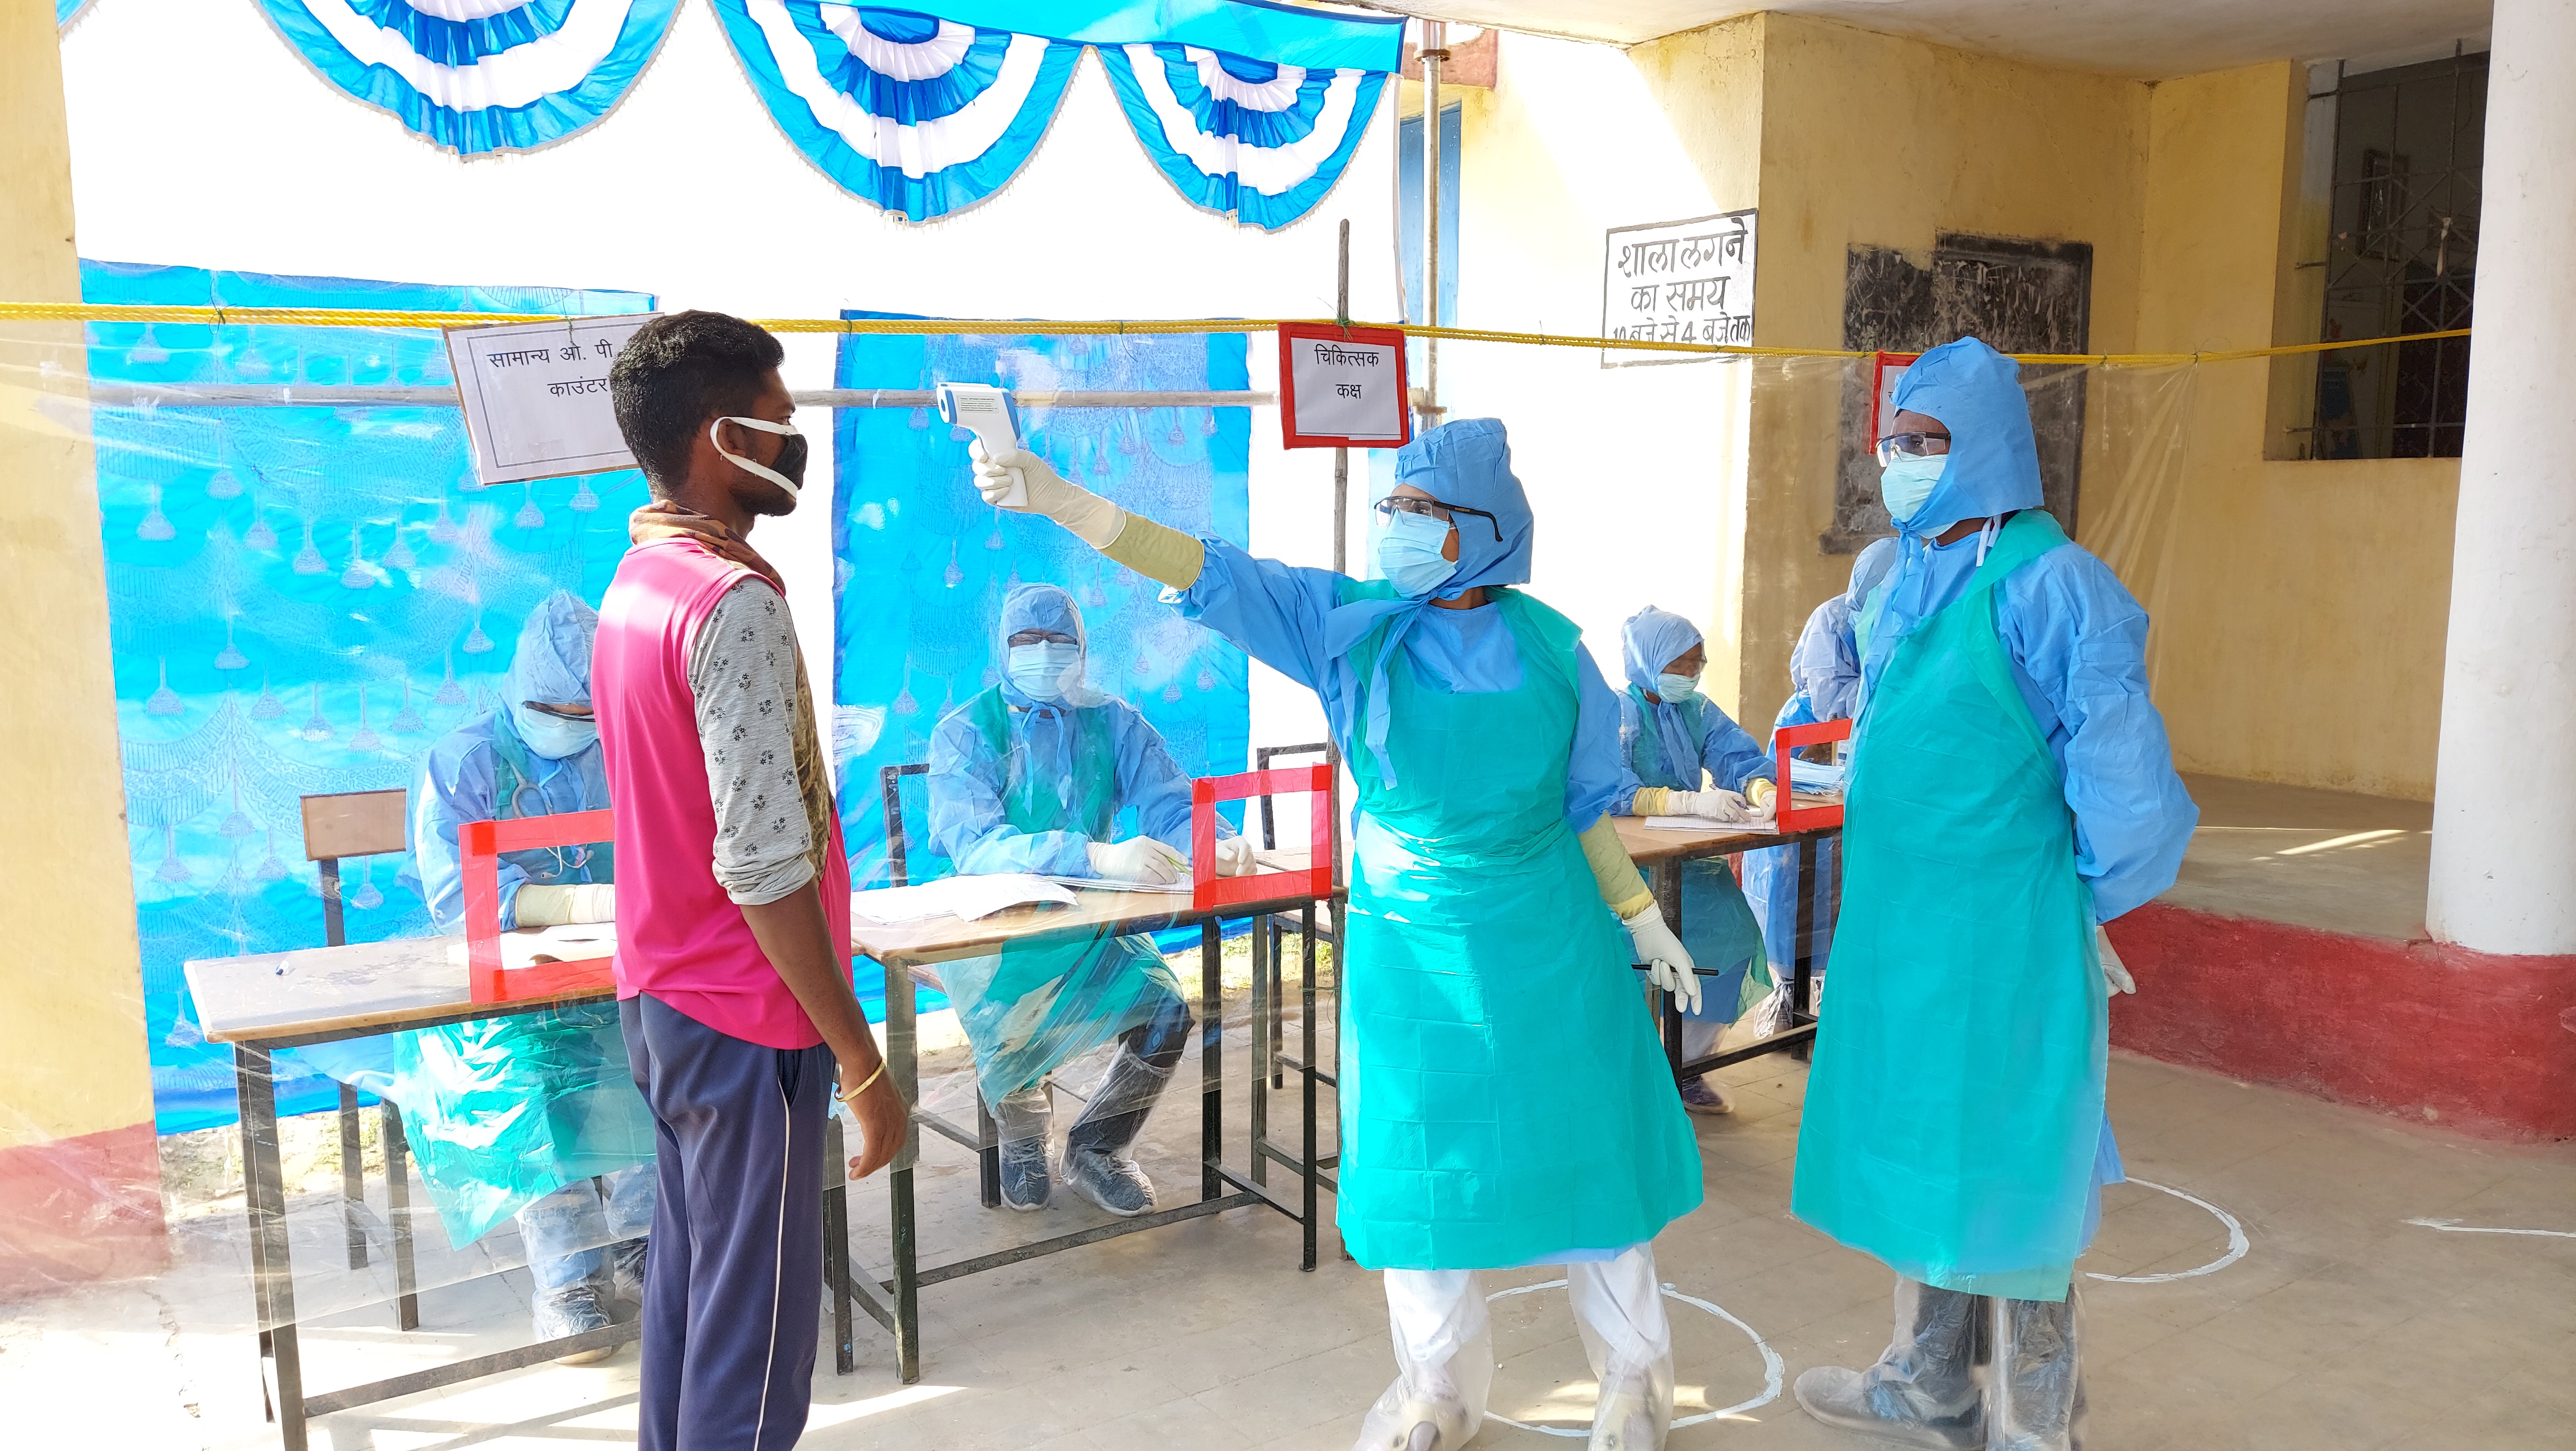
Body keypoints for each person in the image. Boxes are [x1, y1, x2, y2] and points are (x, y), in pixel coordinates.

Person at [972, 417, 1704, 1451]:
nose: (1392, 526)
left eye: (1419, 511)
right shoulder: (1347, 622)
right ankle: (1436, 1392)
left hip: (1550, 941)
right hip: (1410, 945)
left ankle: (1630, 1385)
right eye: (1389, 506)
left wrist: (1639, 915)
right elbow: (1209, 570)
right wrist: (1068, 502)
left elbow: (1586, 803)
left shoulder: (1553, 649)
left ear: (1483, 527)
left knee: (1586, 1154)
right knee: (1420, 1173)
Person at [1790, 337, 2196, 1451]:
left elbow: (2127, 794)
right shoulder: (1889, 572)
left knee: (2015, 1169)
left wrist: (2072, 901)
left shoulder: (2057, 588)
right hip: (1895, 932)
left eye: (1927, 444)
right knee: (1926, 1149)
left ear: (1992, 451)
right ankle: (1927, 1383)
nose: (1902, 463)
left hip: (2002, 932)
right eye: (1892, 443)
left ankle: (2034, 1421)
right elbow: (1854, 706)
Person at [598, 310, 906, 1451]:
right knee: (759, 1340)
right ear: (714, 438)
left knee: (693, 1302)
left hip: (667, 1001)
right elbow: (764, 866)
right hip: (747, 1019)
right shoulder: (730, 607)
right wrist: (861, 1059)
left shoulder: (641, 582)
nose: (791, 447)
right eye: (774, 426)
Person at [302, 595, 653, 1361]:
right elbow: (466, 898)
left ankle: (645, 1243)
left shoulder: (621, 746)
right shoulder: (464, 764)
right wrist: (590, 899)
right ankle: (571, 1281)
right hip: (501, 993)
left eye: (585, 710)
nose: (570, 722)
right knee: (526, 1077)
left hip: (609, 973)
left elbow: (657, 841)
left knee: (653, 1051)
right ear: (520, 689)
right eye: (554, 707)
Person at [924, 581, 1255, 1216]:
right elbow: (976, 846)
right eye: (1028, 640)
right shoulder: (966, 731)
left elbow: (1168, 800)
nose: (1044, 653)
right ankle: (1021, 1130)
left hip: (1091, 920)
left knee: (1165, 1014)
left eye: (1059, 641)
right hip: (998, 929)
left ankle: (1098, 1146)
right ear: (1002, 647)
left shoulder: (1113, 721)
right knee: (1013, 1024)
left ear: (1082, 648)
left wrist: (1214, 841)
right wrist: (1092, 854)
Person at [1611, 605, 1779, 1114]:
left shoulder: (1696, 710)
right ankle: (1632, 1076)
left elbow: (1734, 754)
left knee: (1730, 936)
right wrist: (1681, 800)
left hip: (1686, 854)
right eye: (1680, 664)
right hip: (1627, 860)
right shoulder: (1614, 712)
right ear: (1649, 659)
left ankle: (1687, 1066)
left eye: (1697, 663)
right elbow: (1606, 789)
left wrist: (1761, 785)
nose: (1691, 674)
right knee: (1630, 963)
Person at [1738, 539, 1895, 1019]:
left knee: (1848, 867)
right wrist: (1895, 707)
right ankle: (1792, 989)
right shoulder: (1834, 619)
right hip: (1812, 740)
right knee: (1798, 868)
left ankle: (1837, 991)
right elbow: (1832, 700)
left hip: (1866, 746)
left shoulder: (1905, 621)